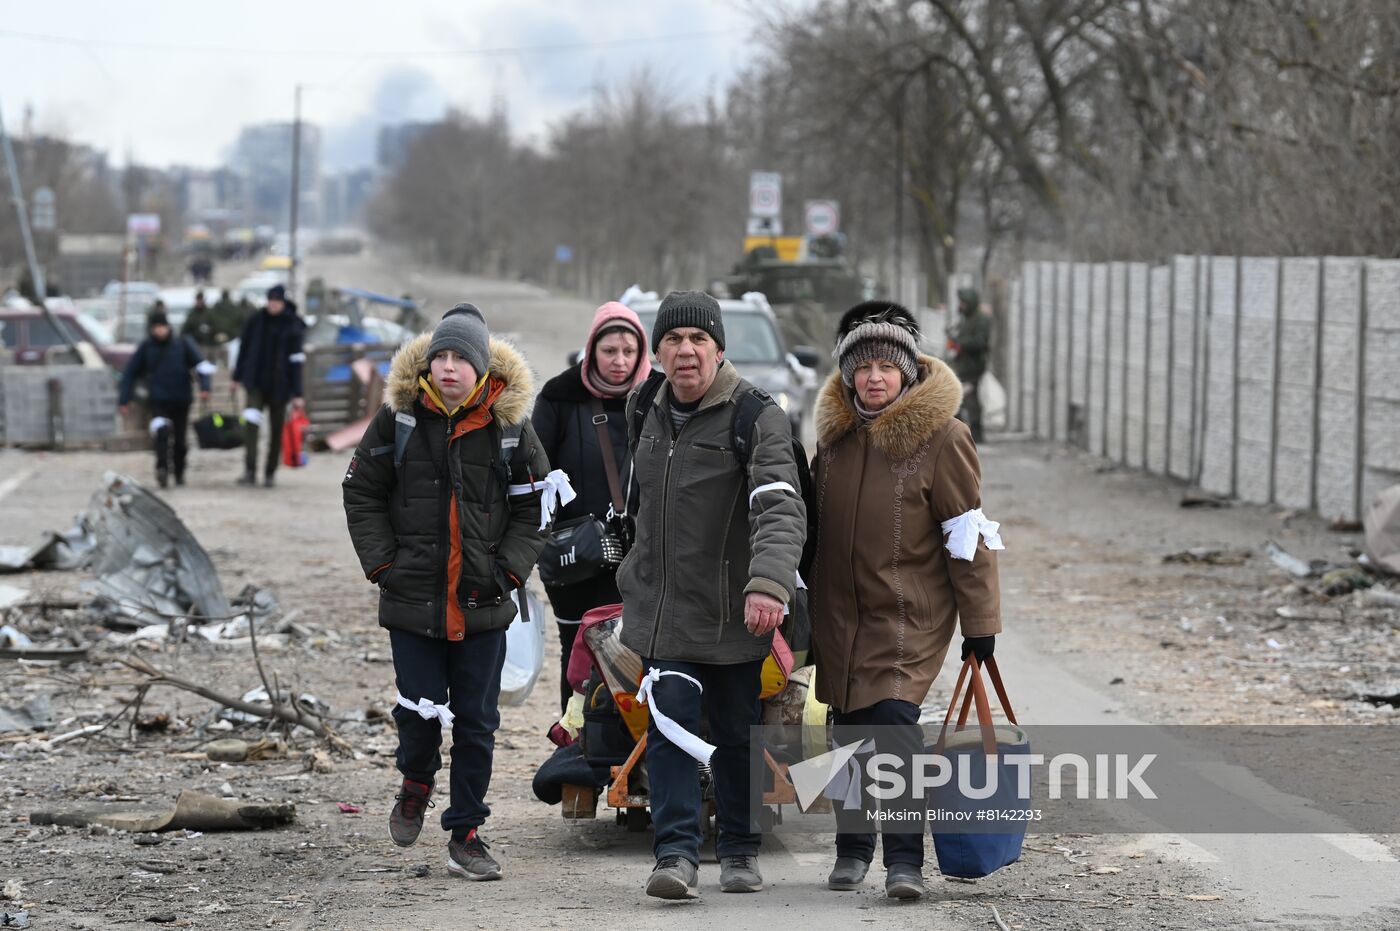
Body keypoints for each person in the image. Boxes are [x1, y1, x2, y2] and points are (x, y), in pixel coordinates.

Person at [342, 303, 551, 881]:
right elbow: (359, 490)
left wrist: (508, 572)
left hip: (483, 604)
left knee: (478, 723)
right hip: (412, 602)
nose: (451, 368)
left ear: (483, 369)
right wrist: (384, 563)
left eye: (462, 358)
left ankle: (467, 833)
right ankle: (414, 780)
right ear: (428, 365)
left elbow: (537, 506)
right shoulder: (400, 420)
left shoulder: (510, 429)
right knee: (418, 708)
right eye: (442, 357)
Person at [809, 301, 1004, 899]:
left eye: (886, 367)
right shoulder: (834, 443)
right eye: (862, 367)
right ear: (847, 375)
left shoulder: (943, 438)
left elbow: (966, 535)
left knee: (891, 727)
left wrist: (981, 624)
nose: (874, 377)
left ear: (908, 372)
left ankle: (903, 862)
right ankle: (850, 849)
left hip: (907, 617)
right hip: (840, 615)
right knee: (847, 730)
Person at [616, 290, 806, 899]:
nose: (685, 351)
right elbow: (641, 502)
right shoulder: (643, 405)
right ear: (659, 351)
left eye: (698, 340)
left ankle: (742, 849)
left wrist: (769, 584)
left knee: (733, 734)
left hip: (734, 613)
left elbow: (779, 509)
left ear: (718, 349)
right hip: (663, 609)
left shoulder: (756, 415)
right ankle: (673, 856)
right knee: (669, 728)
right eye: (672, 340)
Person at [530, 301, 652, 715]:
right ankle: (577, 749)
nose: (619, 362)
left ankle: (627, 756)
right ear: (591, 350)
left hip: (643, 557)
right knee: (579, 655)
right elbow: (533, 475)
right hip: (575, 558)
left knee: (636, 654)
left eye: (628, 352)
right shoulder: (559, 398)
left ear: (641, 353)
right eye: (609, 351)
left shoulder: (662, 399)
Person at [118, 306, 212, 488]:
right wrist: (124, 399)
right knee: (161, 436)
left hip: (181, 399)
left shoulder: (183, 343)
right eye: (156, 327)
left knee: (180, 439)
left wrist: (205, 387)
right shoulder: (146, 347)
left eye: (162, 326)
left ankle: (179, 471)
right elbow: (130, 373)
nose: (159, 330)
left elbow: (201, 365)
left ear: (168, 326)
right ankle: (161, 469)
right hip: (158, 400)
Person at [232, 284, 305, 486]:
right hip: (255, 383)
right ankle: (250, 470)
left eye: (277, 302)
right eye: (270, 301)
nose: (273, 305)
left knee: (276, 431)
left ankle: (270, 472)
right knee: (251, 427)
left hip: (280, 387)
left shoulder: (292, 325)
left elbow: (297, 362)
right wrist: (236, 377)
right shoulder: (256, 321)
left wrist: (298, 393)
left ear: (283, 302)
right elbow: (243, 350)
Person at [948, 287, 993, 442]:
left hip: (974, 365)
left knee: (970, 398)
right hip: (963, 364)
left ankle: (976, 431)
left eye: (963, 303)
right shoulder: (965, 318)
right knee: (961, 396)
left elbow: (980, 341)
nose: (961, 306)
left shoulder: (981, 319)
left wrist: (961, 343)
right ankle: (962, 430)